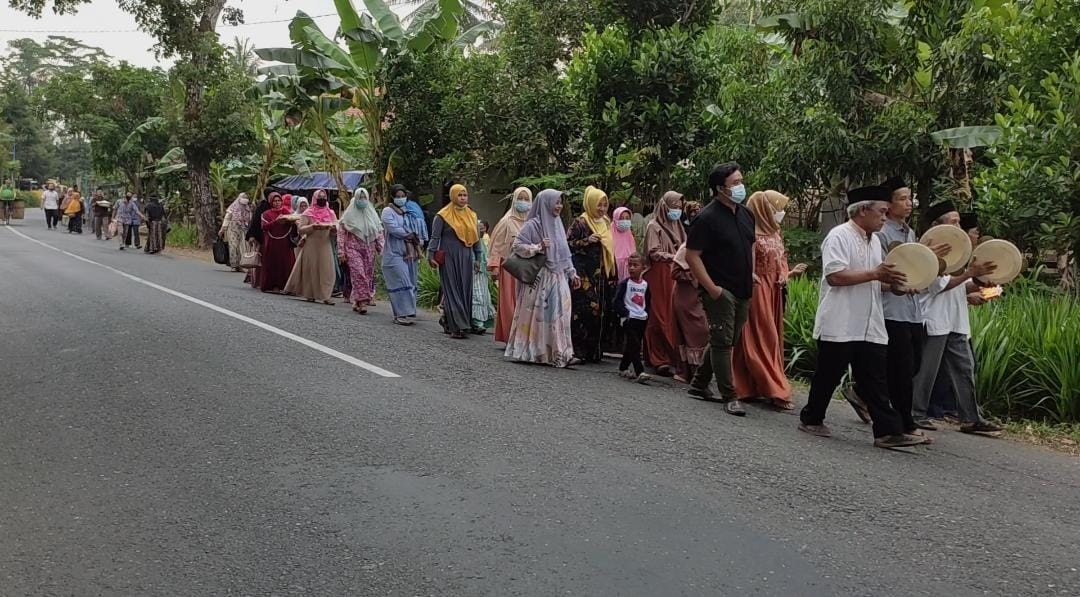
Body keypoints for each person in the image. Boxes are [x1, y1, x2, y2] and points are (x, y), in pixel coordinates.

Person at [798, 185, 927, 449]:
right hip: (841, 321)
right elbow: (835, 277)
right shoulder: (839, 236)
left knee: (875, 379)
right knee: (828, 376)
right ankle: (812, 417)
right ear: (863, 210)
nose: (884, 217)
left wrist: (896, 286)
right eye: (881, 211)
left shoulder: (875, 241)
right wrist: (877, 275)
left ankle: (887, 431)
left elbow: (875, 280)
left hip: (869, 323)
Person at [911, 201, 1004, 436]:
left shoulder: (959, 254)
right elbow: (938, 286)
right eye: (953, 222)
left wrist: (980, 281)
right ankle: (916, 413)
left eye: (959, 222)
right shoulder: (927, 251)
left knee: (965, 368)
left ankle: (971, 418)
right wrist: (970, 274)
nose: (959, 226)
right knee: (926, 371)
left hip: (955, 319)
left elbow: (959, 286)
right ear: (937, 226)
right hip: (933, 319)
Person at [683, 162, 755, 416]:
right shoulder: (706, 218)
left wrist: (752, 272)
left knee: (727, 338)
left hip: (744, 287)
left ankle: (699, 383)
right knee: (723, 342)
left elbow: (750, 246)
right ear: (719, 188)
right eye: (734, 184)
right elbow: (692, 256)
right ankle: (730, 395)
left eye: (740, 181)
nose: (740, 187)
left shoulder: (746, 214)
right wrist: (712, 289)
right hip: (720, 289)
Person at [731, 190, 805, 410]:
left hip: (774, 290)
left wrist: (786, 274)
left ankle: (755, 386)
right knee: (762, 337)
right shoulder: (748, 233)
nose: (779, 213)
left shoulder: (775, 231)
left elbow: (781, 259)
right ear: (764, 209)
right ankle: (773, 389)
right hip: (756, 289)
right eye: (776, 208)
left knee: (769, 337)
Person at [503, 189, 581, 367]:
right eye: (556, 202)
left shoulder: (558, 224)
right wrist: (537, 247)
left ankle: (561, 352)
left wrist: (572, 272)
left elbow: (564, 253)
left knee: (560, 315)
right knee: (540, 315)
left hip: (558, 275)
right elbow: (517, 246)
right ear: (546, 203)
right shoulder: (534, 224)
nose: (559, 206)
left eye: (561, 202)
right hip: (540, 278)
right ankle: (537, 351)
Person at [567, 185, 619, 363]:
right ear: (590, 204)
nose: (602, 209)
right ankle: (578, 351)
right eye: (599, 205)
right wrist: (586, 241)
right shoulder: (580, 222)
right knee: (585, 311)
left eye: (605, 205)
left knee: (602, 311)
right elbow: (568, 245)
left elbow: (610, 248)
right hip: (584, 274)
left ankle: (594, 351)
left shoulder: (605, 222)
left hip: (602, 275)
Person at [429, 184, 483, 339]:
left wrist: (478, 257)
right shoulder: (443, 215)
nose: (463, 198)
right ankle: (457, 326)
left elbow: (476, 238)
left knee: (464, 290)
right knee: (452, 290)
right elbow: (435, 237)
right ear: (453, 196)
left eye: (465, 195)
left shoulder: (471, 215)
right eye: (460, 195)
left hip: (466, 257)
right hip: (449, 258)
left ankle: (452, 320)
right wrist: (431, 255)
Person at [643, 191, 686, 376]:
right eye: (673, 206)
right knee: (660, 315)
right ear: (665, 206)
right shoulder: (654, 226)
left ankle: (675, 357)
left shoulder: (678, 226)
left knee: (674, 314)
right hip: (660, 273)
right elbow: (654, 252)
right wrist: (674, 257)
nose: (677, 210)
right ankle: (658, 357)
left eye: (679, 207)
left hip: (675, 274)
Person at [489, 187, 533, 342]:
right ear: (514, 200)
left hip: (528, 268)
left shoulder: (532, 222)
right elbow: (497, 245)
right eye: (520, 199)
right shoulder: (506, 222)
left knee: (526, 302)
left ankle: (523, 335)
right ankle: (510, 335)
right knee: (509, 302)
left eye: (526, 199)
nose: (523, 202)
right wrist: (494, 266)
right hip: (509, 268)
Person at [285, 189, 336, 304]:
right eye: (320, 197)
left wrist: (333, 230)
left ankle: (326, 296)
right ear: (314, 198)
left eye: (324, 197)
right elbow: (301, 229)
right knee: (311, 270)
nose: (322, 199)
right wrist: (312, 226)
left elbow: (334, 230)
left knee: (327, 270)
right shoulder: (308, 212)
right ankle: (310, 294)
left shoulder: (330, 213)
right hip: (311, 245)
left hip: (325, 245)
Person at [338, 188, 384, 314]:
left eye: (365, 198)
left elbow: (378, 232)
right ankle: (363, 301)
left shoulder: (372, 214)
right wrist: (341, 252)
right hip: (353, 248)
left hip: (369, 249)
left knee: (367, 275)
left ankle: (357, 300)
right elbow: (341, 234)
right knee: (359, 273)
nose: (362, 200)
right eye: (360, 198)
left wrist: (382, 248)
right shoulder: (348, 215)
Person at [381, 185, 422, 325]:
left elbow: (418, 226)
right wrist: (409, 234)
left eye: (402, 196)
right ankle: (400, 314)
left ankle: (409, 311)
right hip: (394, 253)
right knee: (401, 281)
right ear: (392, 197)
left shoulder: (410, 211)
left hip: (411, 253)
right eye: (397, 196)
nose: (400, 199)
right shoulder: (387, 211)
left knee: (411, 282)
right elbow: (393, 229)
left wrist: (417, 238)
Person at [671, 244, 709, 383]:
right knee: (695, 332)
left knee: (700, 332)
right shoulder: (687, 247)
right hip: (686, 296)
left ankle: (694, 373)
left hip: (700, 296)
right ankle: (688, 372)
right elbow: (674, 272)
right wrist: (696, 274)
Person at [614, 253, 653, 383]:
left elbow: (647, 301)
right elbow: (617, 301)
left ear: (643, 267)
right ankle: (640, 371)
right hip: (629, 318)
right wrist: (625, 313)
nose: (631, 268)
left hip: (641, 319)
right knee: (635, 344)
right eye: (629, 265)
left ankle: (623, 367)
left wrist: (646, 313)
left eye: (635, 265)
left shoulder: (645, 285)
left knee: (633, 344)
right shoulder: (625, 284)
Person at [259, 193, 297, 294]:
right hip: (272, 243)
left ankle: (287, 286)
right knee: (273, 263)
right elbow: (264, 227)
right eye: (275, 201)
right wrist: (276, 221)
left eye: (279, 201)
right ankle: (273, 285)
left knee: (286, 263)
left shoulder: (285, 211)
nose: (277, 203)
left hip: (285, 243)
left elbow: (292, 223)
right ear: (271, 202)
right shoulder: (266, 214)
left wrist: (290, 222)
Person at [471, 218, 495, 332]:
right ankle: (477, 322)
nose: (480, 231)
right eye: (478, 228)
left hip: (482, 274)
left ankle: (484, 321)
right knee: (477, 296)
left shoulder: (482, 243)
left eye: (482, 228)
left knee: (485, 297)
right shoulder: (471, 243)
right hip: (474, 273)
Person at [219, 193, 252, 272]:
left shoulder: (248, 209)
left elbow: (250, 219)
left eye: (246, 197)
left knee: (243, 247)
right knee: (234, 246)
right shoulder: (232, 208)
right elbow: (227, 219)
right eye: (243, 197)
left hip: (244, 230)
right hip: (233, 229)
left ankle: (242, 265)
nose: (245, 199)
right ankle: (234, 265)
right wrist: (222, 230)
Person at [244, 198, 271, 288]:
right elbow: (256, 222)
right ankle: (257, 280)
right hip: (260, 237)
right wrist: (252, 236)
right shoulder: (263, 207)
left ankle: (259, 280)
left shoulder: (269, 206)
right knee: (258, 259)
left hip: (266, 237)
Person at [611, 207, 636, 282]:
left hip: (629, 270)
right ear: (615, 219)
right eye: (621, 218)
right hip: (614, 271)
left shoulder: (630, 235)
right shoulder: (609, 234)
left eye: (627, 218)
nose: (625, 221)